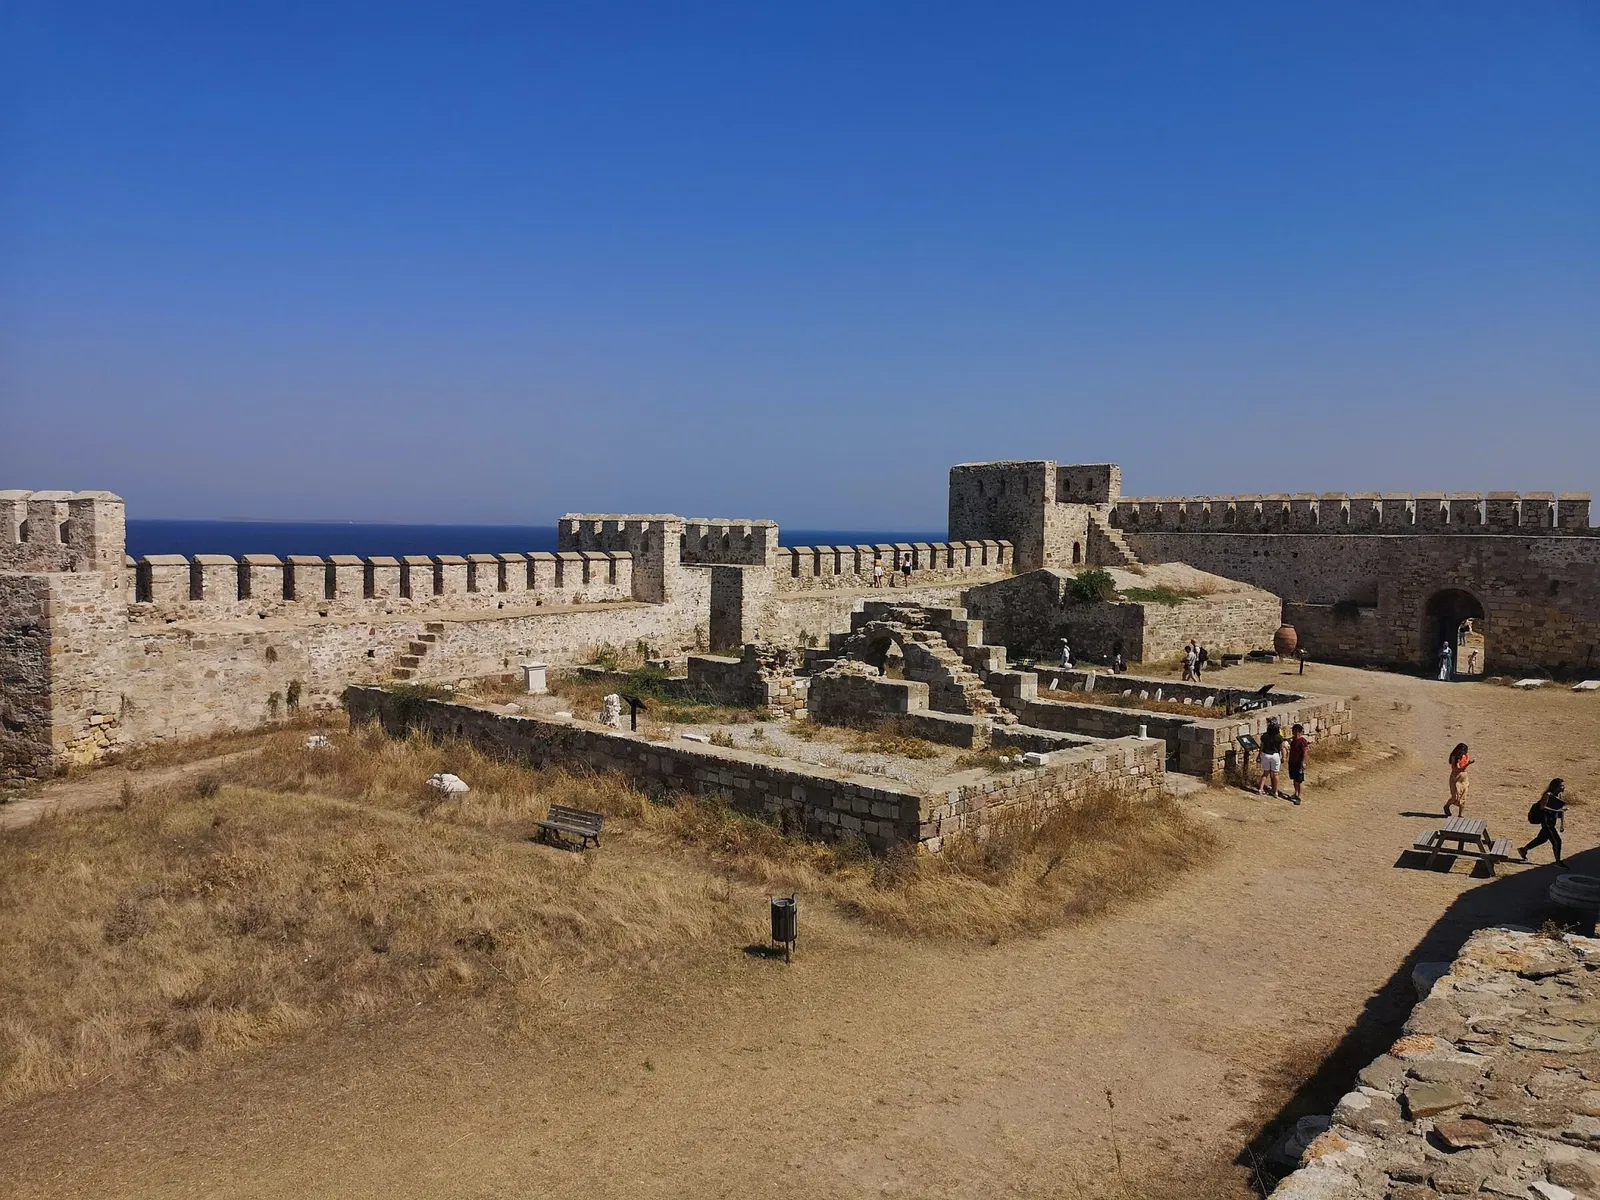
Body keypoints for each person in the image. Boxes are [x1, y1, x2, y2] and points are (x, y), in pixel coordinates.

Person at [1519, 779, 1569, 867]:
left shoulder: (1560, 795)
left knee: (1542, 839)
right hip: (1546, 822)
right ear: (1556, 787)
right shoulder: (1548, 795)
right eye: (1561, 786)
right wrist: (1557, 810)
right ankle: (1558, 862)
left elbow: (1561, 811)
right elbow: (1543, 807)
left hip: (1552, 821)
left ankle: (1524, 850)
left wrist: (1562, 824)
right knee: (1557, 841)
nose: (1563, 787)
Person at [1258, 717, 1285, 798]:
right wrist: (1283, 757)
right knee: (1276, 774)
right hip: (1275, 755)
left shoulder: (1264, 736)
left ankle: (1260, 789)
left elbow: (1261, 747)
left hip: (1266, 754)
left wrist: (1259, 755)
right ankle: (1275, 791)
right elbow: (1281, 748)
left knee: (1265, 773)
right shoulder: (1279, 737)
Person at [1445, 743, 1472, 817]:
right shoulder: (1455, 757)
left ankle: (1460, 814)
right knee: (1455, 797)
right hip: (1456, 777)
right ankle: (1447, 806)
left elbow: (1464, 768)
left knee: (1463, 796)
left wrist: (1467, 764)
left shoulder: (1465, 756)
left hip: (1464, 777)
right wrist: (1468, 764)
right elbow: (1457, 769)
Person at [1286, 723, 1309, 805]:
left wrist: (1303, 763)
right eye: (1293, 731)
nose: (1294, 733)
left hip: (1299, 763)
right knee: (1294, 779)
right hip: (1292, 762)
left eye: (1296, 731)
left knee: (1298, 780)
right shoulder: (1293, 740)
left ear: (1299, 732)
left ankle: (1299, 796)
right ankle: (1295, 793)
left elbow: (1305, 752)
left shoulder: (1303, 741)